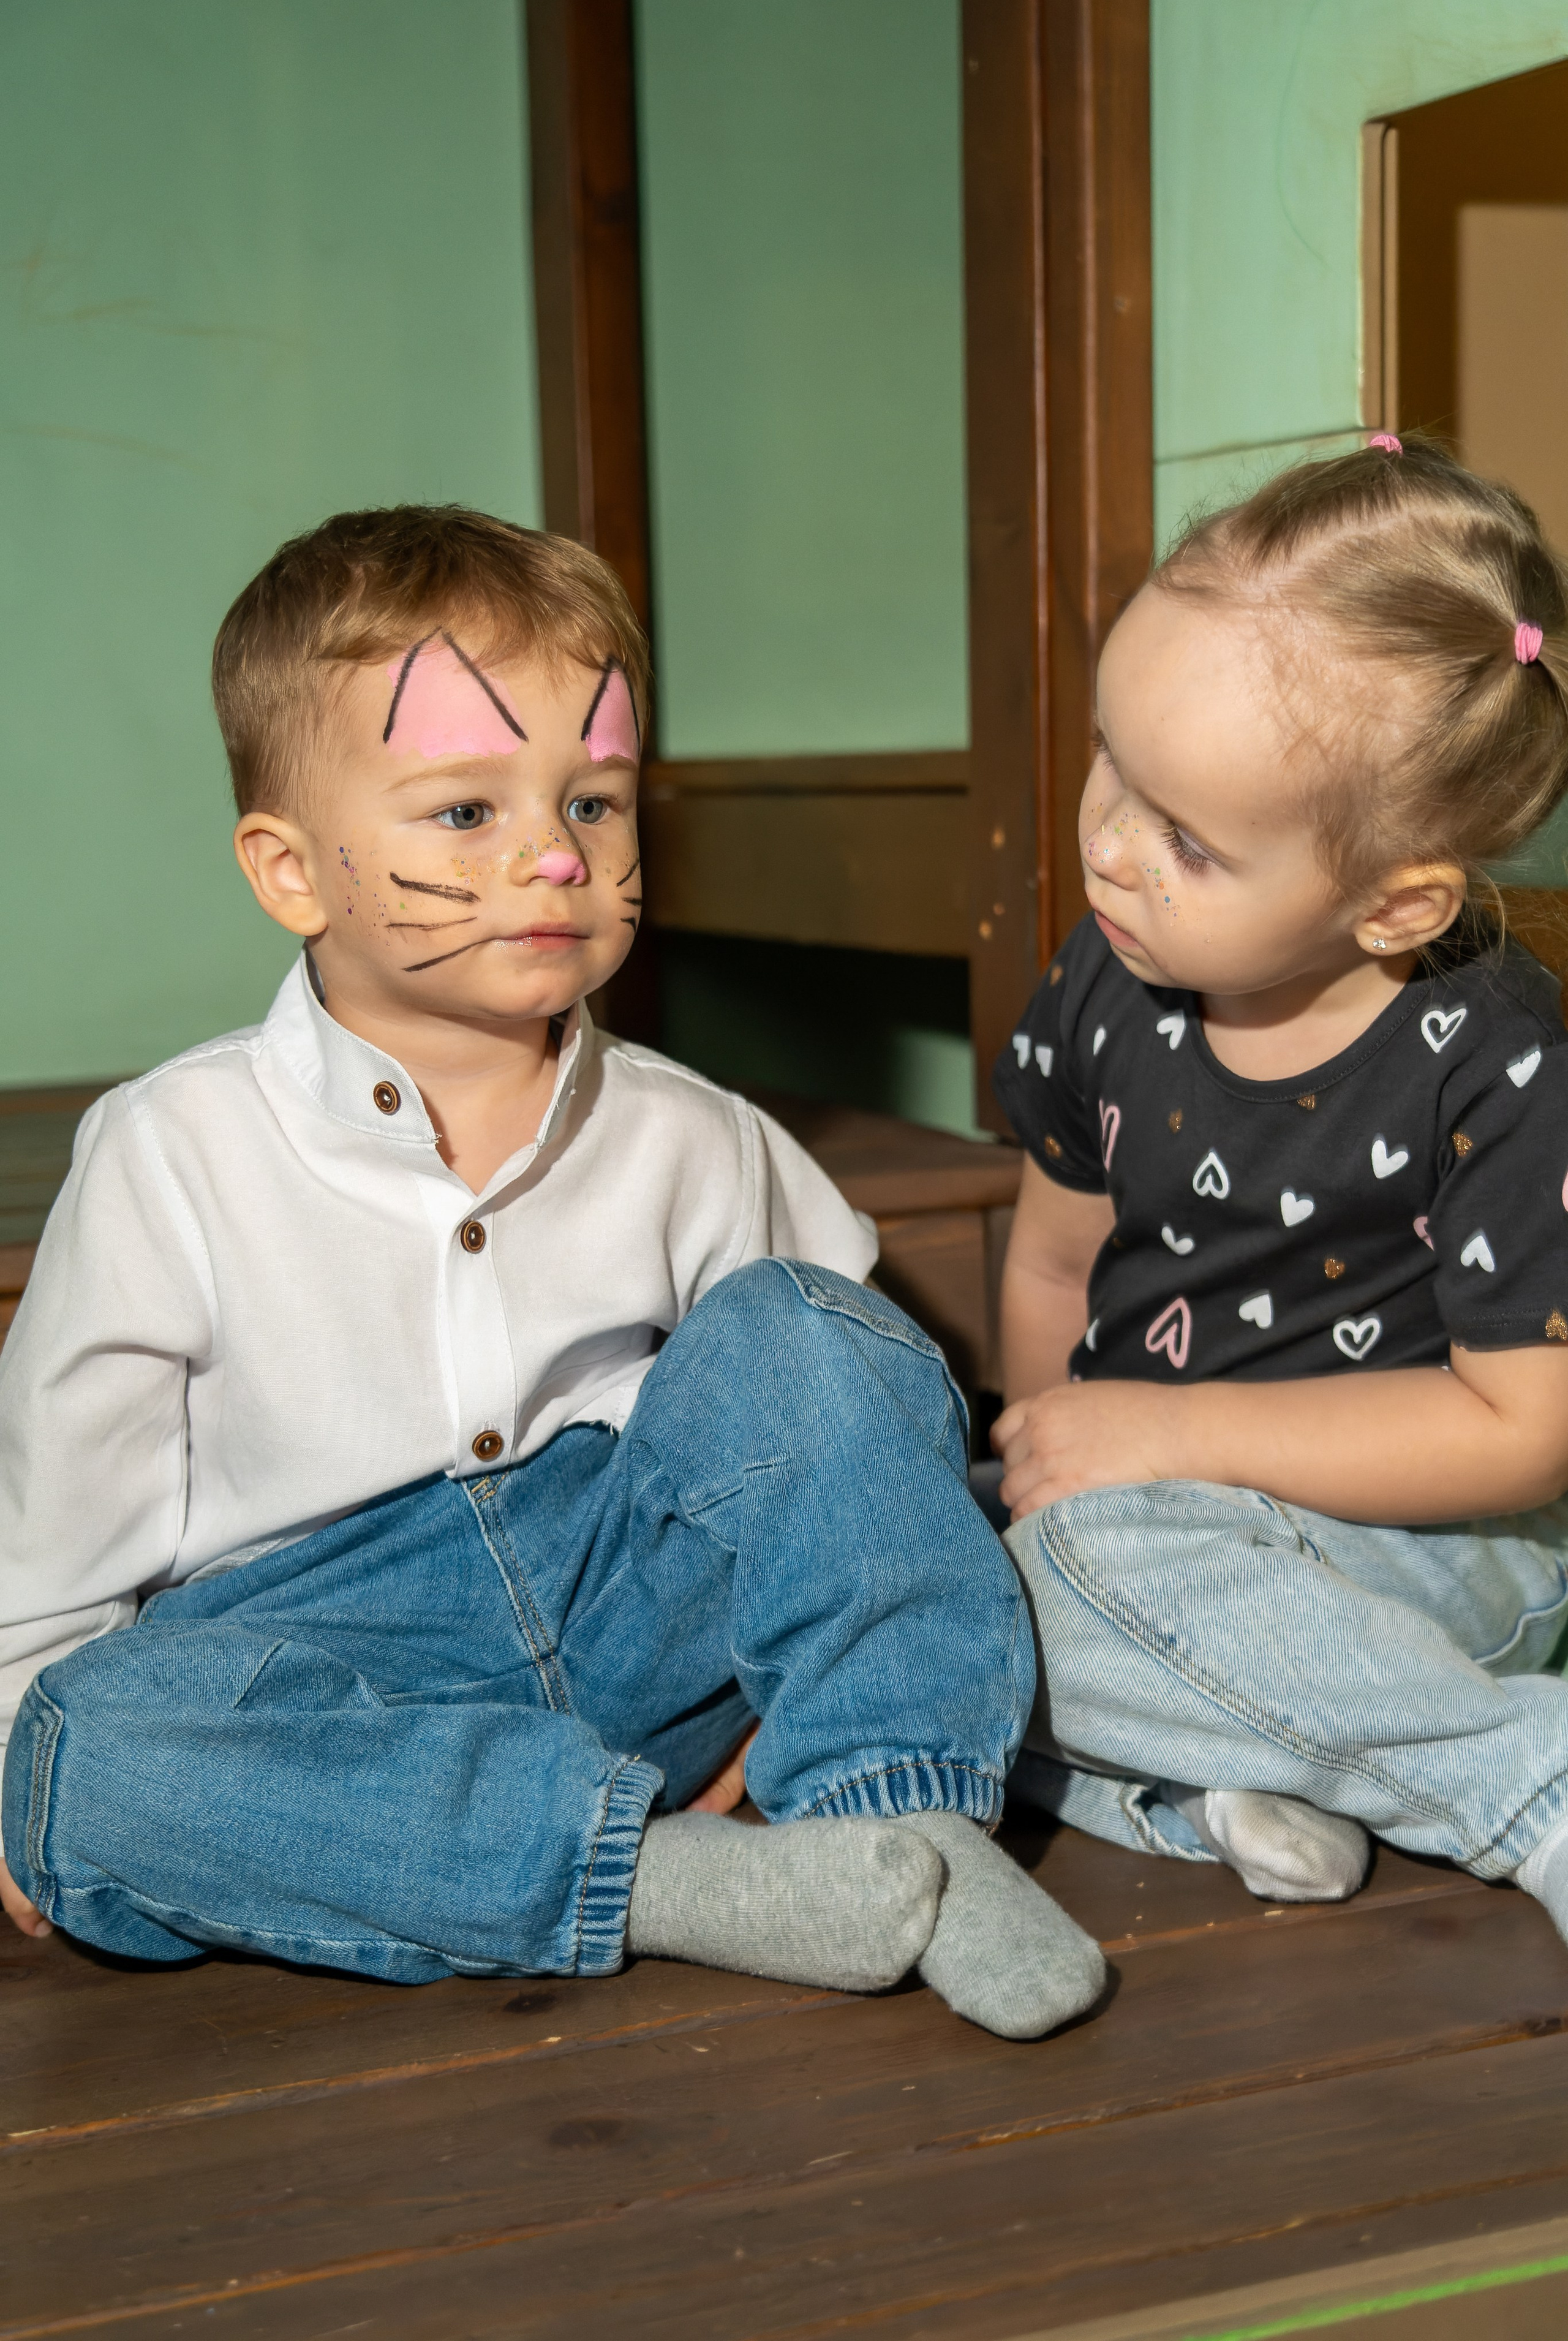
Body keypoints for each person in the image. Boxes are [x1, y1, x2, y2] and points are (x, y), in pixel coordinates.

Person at [0, 507, 1104, 2040]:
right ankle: (663, 1879)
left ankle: (907, 1821)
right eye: (464, 813)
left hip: (629, 1596)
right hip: (336, 1675)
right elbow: (57, 1546)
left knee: (810, 1326)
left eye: (592, 799)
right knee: (88, 1747)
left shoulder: (695, 1134)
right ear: (289, 870)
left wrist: (796, 1684)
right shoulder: (167, 1156)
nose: (549, 856)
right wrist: (39, 1759)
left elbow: (844, 1438)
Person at [987, 435, 1568, 1940]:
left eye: (1184, 837)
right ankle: (1240, 1780)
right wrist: (1054, 1453)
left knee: (1072, 1581)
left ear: (1391, 902)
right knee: (927, 1579)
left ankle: (1530, 1780)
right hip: (1150, 1514)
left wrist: (1152, 1446)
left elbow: (1520, 1439)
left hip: (1432, 1553)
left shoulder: (1494, 1061)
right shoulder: (1110, 982)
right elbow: (1055, 1269)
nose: (1108, 849)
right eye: (1112, 761)